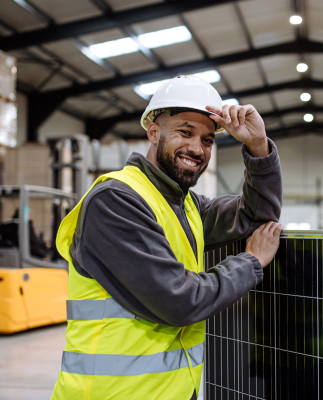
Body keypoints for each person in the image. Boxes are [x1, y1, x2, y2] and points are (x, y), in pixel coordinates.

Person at [50, 75, 283, 400]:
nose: (197, 148)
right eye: (185, 132)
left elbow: (256, 217)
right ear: (153, 131)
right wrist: (251, 262)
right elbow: (178, 300)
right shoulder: (115, 201)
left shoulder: (184, 205)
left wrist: (258, 147)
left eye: (207, 140)